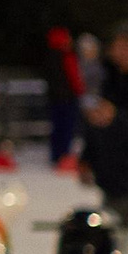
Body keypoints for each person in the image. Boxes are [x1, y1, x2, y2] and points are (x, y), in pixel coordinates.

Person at [79, 19, 128, 244]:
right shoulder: (108, 78)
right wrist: (86, 158)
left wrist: (117, 118)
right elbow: (96, 122)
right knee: (112, 249)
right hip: (116, 180)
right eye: (119, 44)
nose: (122, 50)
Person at [43, 27, 84, 167]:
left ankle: (56, 155)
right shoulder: (66, 55)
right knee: (67, 128)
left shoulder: (49, 56)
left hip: (54, 98)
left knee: (56, 127)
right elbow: (74, 76)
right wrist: (79, 90)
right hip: (67, 98)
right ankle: (64, 157)